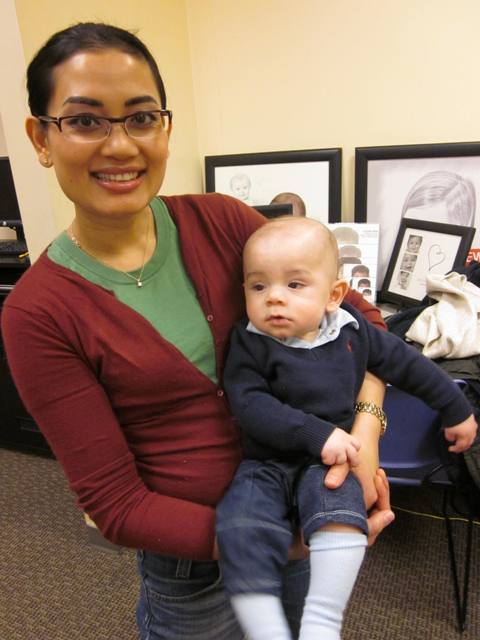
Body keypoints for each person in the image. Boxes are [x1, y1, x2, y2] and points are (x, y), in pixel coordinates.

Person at [1, 22, 394, 640]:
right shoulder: (39, 312)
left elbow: (364, 324)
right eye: (85, 121)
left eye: (141, 118)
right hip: (197, 571)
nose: (120, 146)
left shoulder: (224, 223)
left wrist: (366, 434)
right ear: (41, 138)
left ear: (165, 127)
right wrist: (271, 543)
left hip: (306, 501)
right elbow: (115, 505)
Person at [217, 217, 477, 640]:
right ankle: (265, 629)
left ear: (334, 294)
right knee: (239, 525)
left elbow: (408, 366)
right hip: (267, 464)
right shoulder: (249, 341)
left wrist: (455, 407)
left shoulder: (352, 330)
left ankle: (322, 621)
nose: (273, 298)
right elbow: (251, 405)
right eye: (258, 286)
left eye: (294, 285)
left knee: (342, 515)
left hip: (330, 466)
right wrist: (317, 434)